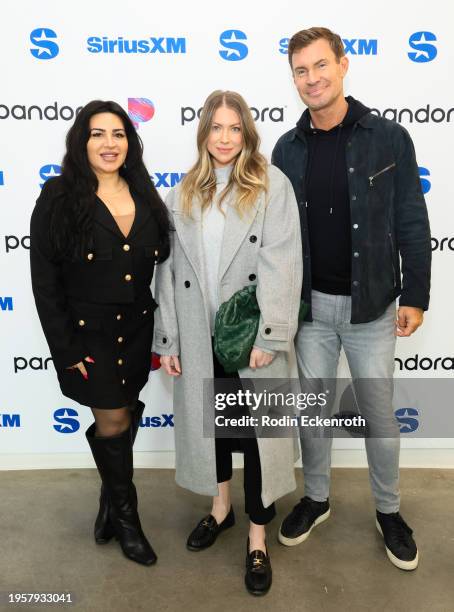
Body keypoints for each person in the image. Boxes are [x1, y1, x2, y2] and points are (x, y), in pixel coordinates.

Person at [272, 27, 431, 571]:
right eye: (300, 70)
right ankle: (315, 498)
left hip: (373, 307)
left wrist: (417, 293)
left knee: (379, 416)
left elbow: (412, 216)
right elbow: (275, 237)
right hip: (309, 308)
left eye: (320, 66)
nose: (311, 79)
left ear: (343, 65)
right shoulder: (286, 148)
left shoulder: (389, 137)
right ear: (292, 78)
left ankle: (389, 511)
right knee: (312, 413)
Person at [153, 90, 302, 595]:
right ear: (203, 134)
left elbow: (282, 262)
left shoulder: (269, 185)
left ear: (247, 134)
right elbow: (168, 273)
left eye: (234, 128)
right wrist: (169, 338)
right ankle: (221, 510)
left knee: (260, 439)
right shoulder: (183, 192)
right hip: (200, 336)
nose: (224, 138)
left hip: (249, 337)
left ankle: (257, 536)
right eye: (215, 128)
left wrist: (272, 334)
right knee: (213, 430)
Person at [30, 100, 171, 566]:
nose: (109, 144)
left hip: (136, 332)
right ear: (81, 141)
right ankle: (129, 521)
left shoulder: (145, 192)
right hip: (88, 338)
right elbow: (44, 282)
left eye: (118, 134)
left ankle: (110, 504)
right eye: (97, 134)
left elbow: (163, 263)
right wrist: (64, 348)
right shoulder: (57, 196)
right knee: (112, 420)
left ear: (130, 141)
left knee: (127, 411)